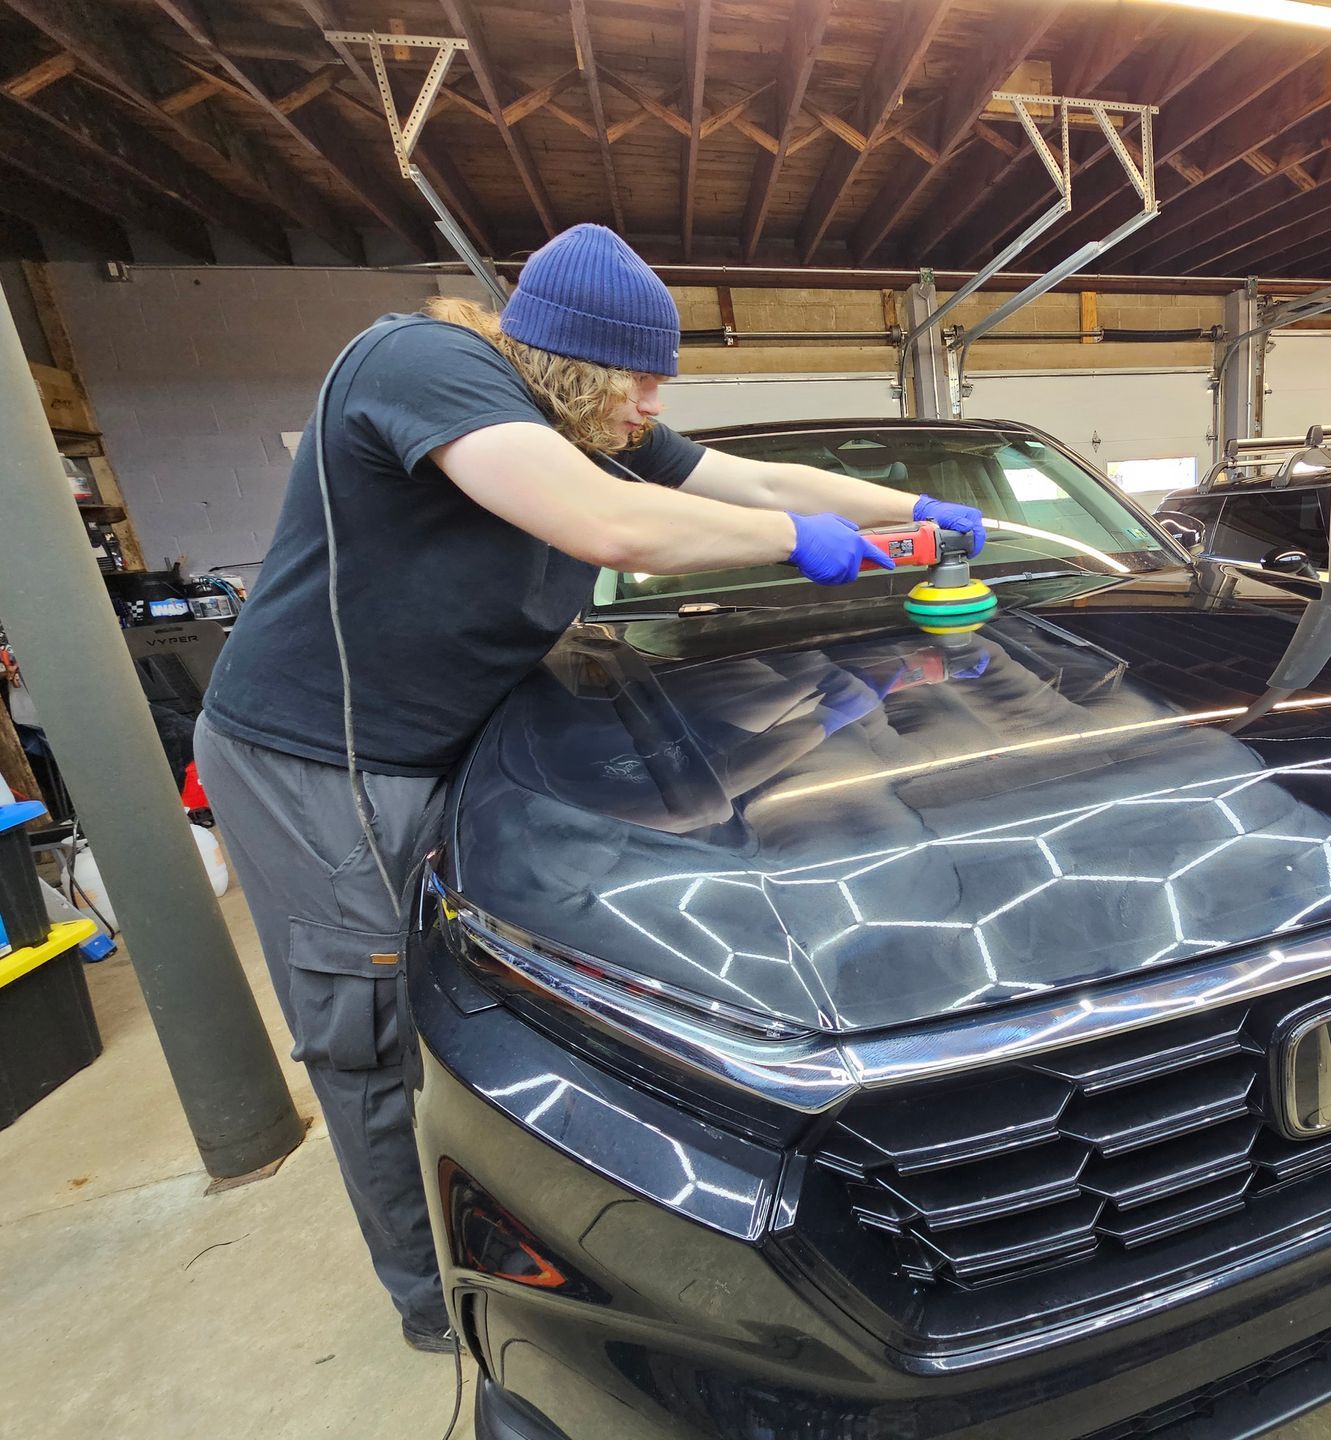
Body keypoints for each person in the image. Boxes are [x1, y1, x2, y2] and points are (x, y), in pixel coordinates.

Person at [191, 224, 985, 1352]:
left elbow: (747, 475)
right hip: (320, 762)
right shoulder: (418, 365)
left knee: (469, 984)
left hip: (450, 741)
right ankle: (432, 1304)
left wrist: (902, 512)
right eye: (640, 374)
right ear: (569, 358)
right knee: (367, 1030)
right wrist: (800, 543)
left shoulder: (588, 418)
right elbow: (610, 525)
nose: (654, 400)